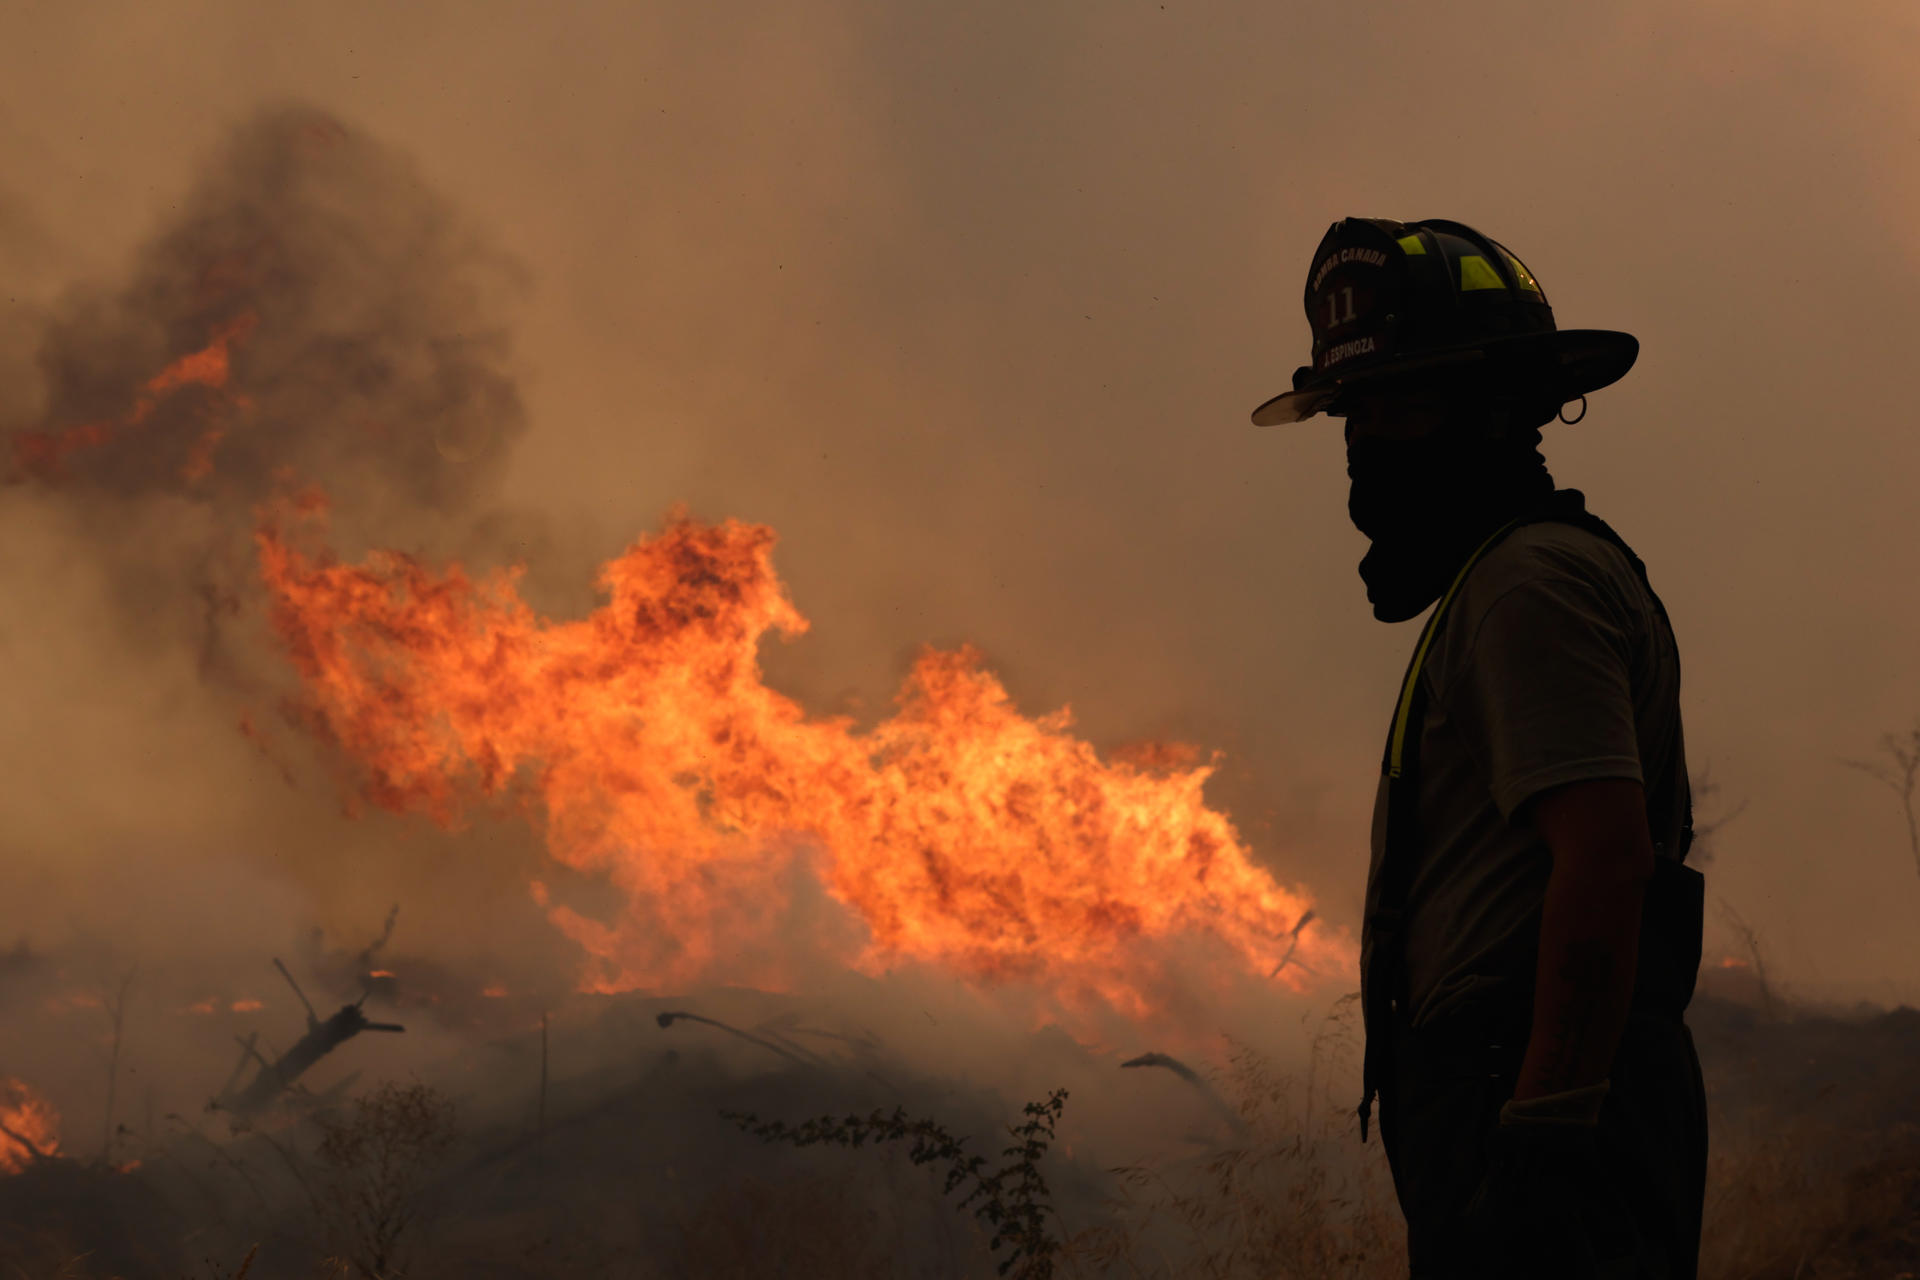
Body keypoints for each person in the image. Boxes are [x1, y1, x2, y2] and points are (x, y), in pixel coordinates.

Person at [1251, 219, 1709, 1278]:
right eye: (1354, 414)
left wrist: (1541, 1137)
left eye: (1400, 406)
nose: (1368, 444)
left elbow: (1605, 860)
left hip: (1548, 1115)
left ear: (1499, 410)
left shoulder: (1524, 588)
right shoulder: (1501, 584)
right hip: (1520, 1103)